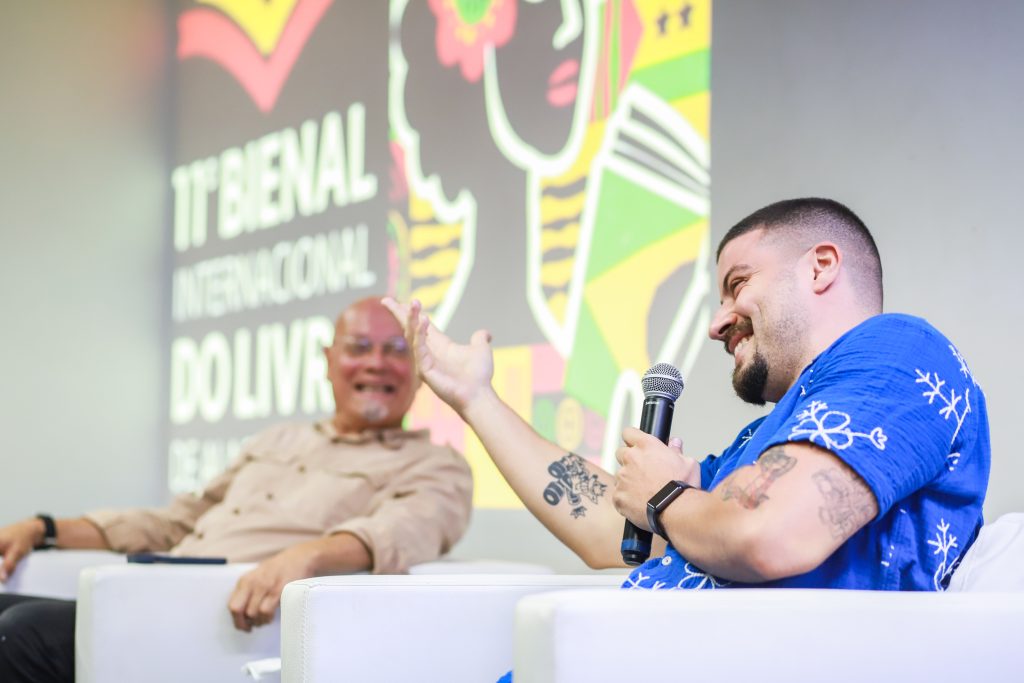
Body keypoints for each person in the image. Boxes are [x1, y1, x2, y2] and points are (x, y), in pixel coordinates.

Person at [385, 197, 989, 593]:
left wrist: (667, 494)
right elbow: (612, 531)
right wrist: (476, 398)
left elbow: (767, 535)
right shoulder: (774, 436)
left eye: (738, 285)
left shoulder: (899, 351)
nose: (716, 322)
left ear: (821, 266)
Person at [0, 296, 473, 683]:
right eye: (359, 347)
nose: (377, 363)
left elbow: (402, 530)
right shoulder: (278, 440)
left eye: (396, 349)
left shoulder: (437, 465)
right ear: (329, 361)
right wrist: (42, 527)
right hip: (146, 595)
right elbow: (178, 521)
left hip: (233, 620)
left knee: (23, 634)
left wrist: (307, 556)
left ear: (419, 369)